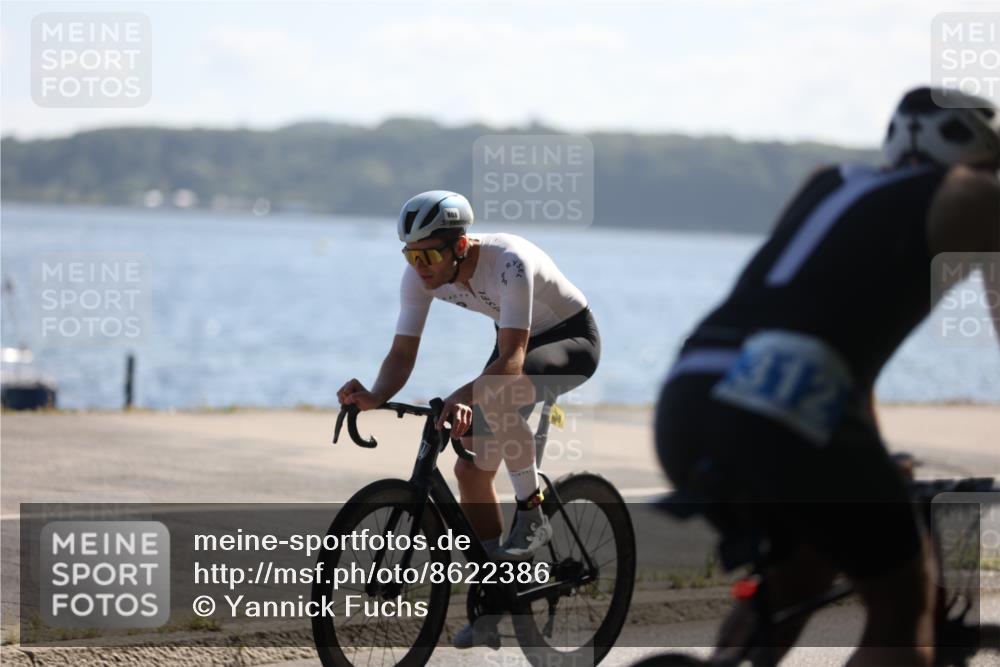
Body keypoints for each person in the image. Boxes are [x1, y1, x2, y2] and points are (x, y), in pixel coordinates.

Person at [655, 86, 999, 666]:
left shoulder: (827, 181)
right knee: (902, 606)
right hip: (785, 416)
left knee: (798, 576)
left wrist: (868, 452)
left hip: (690, 397)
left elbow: (818, 334)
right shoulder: (978, 195)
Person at [337, 190, 600, 648]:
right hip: (514, 343)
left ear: (459, 247)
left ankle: (533, 513)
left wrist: (463, 396)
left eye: (430, 254)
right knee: (468, 471)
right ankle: (497, 597)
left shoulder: (509, 262)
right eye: (411, 254)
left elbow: (514, 360)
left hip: (568, 340)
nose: (421, 265)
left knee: (496, 399)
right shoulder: (418, 277)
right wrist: (376, 395)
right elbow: (402, 354)